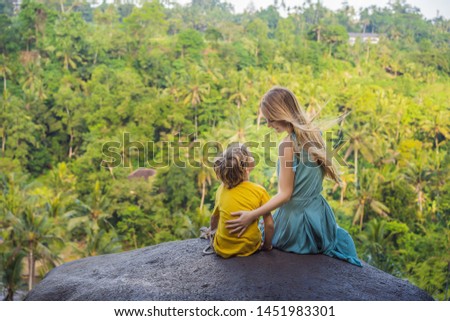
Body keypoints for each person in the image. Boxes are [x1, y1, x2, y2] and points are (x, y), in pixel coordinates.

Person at [226, 86, 362, 267]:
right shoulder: (314, 133)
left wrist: (252, 215)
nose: (268, 125)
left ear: (281, 115)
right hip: (321, 220)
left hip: (297, 225)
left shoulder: (287, 146)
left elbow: (285, 194)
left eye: (270, 119)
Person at [208, 143, 274, 258]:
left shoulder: (221, 189)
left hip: (222, 249)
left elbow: (214, 218)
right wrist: (267, 246)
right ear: (247, 169)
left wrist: (212, 233)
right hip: (250, 248)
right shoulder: (259, 191)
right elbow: (269, 225)